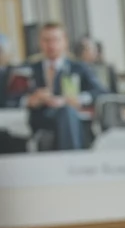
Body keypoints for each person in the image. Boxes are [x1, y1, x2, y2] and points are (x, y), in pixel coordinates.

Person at [22, 22, 103, 150]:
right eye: (46, 40)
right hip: (41, 118)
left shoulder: (78, 68)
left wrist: (79, 99)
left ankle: (70, 159)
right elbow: (9, 97)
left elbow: (100, 91)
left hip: (71, 117)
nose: (51, 45)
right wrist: (30, 100)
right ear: (40, 42)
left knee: (67, 112)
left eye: (55, 40)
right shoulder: (29, 68)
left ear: (65, 41)